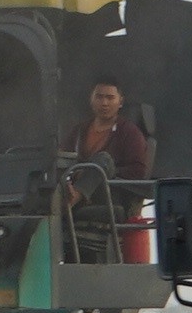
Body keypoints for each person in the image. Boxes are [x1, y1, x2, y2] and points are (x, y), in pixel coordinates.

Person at [64, 81, 153, 260]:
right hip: (74, 186)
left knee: (102, 161)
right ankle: (67, 198)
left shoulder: (129, 132)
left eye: (110, 98)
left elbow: (138, 171)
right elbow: (63, 158)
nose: (104, 103)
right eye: (99, 97)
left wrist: (103, 174)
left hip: (110, 192)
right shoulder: (80, 131)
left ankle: (73, 198)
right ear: (91, 100)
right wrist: (78, 174)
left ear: (120, 101)